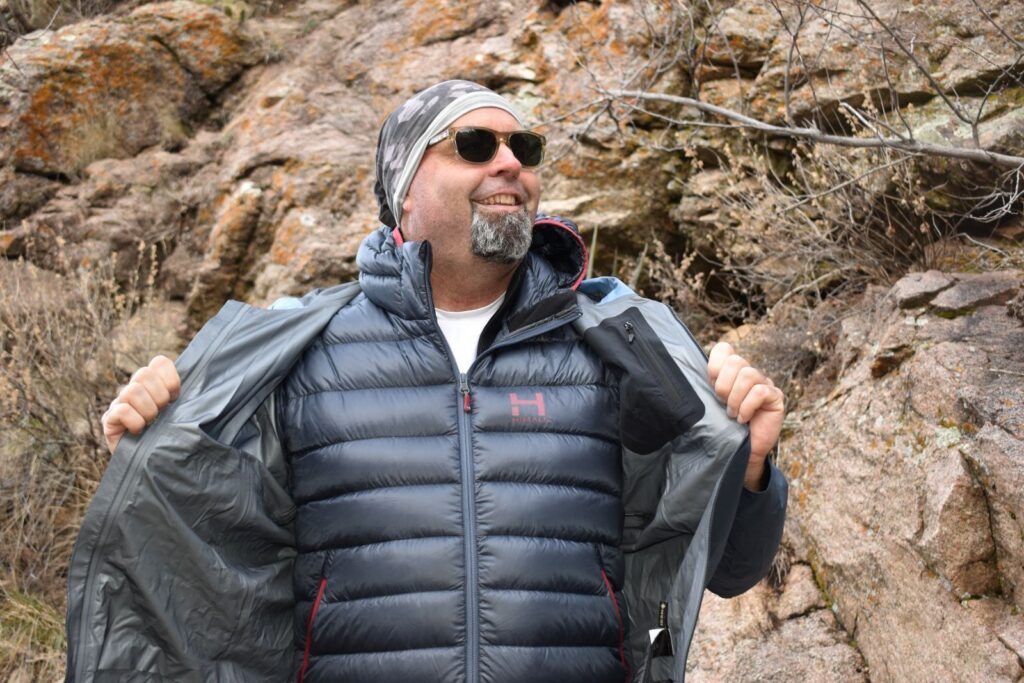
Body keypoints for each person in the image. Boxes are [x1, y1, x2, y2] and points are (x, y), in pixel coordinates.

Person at [67, 80, 787, 683]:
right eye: (474, 145)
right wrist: (156, 443)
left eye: (523, 148)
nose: (509, 162)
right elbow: (202, 562)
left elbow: (722, 568)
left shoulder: (616, 346)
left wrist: (750, 468)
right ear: (405, 191)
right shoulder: (298, 353)